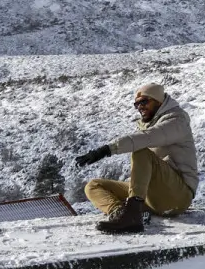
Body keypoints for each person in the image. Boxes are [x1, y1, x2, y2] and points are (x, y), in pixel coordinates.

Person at [74, 82, 198, 234]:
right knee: (93, 186)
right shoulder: (148, 124)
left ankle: (132, 216)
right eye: (137, 104)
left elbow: (147, 137)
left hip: (178, 196)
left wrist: (106, 149)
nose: (140, 107)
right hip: (152, 196)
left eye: (144, 101)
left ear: (159, 101)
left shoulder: (177, 120)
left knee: (141, 151)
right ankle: (120, 214)